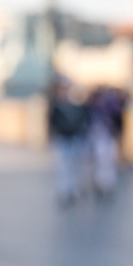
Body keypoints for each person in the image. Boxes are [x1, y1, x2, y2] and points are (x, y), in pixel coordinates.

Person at [47, 76, 90, 207]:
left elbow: (82, 120)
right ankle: (64, 191)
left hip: (74, 138)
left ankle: (72, 190)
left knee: (74, 166)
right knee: (63, 166)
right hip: (62, 138)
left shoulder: (76, 104)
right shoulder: (56, 105)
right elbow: (51, 122)